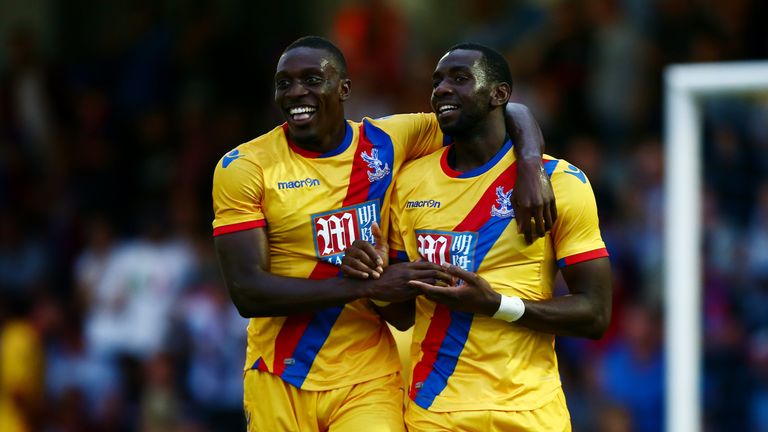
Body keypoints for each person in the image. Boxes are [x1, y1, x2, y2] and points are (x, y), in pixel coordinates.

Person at [212, 36, 555, 431]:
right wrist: (365, 286)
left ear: (344, 88)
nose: (296, 93)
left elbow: (502, 109)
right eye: (284, 83)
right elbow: (248, 292)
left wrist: (530, 162)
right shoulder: (245, 166)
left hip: (368, 376)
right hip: (279, 372)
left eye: (311, 79)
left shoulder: (387, 140)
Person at [342, 43, 612, 431]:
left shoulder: (559, 183)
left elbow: (596, 314)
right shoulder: (410, 184)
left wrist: (497, 305)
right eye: (437, 82)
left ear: (499, 94)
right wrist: (373, 282)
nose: (442, 89)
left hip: (530, 410)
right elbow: (403, 315)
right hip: (435, 411)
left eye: (459, 78)